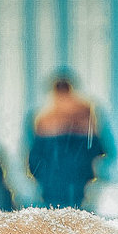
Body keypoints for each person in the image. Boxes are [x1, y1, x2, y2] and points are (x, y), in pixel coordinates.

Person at [26, 71, 108, 209]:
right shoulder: (86, 115)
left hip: (53, 187)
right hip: (78, 186)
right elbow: (100, 151)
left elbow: (34, 160)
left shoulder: (42, 118)